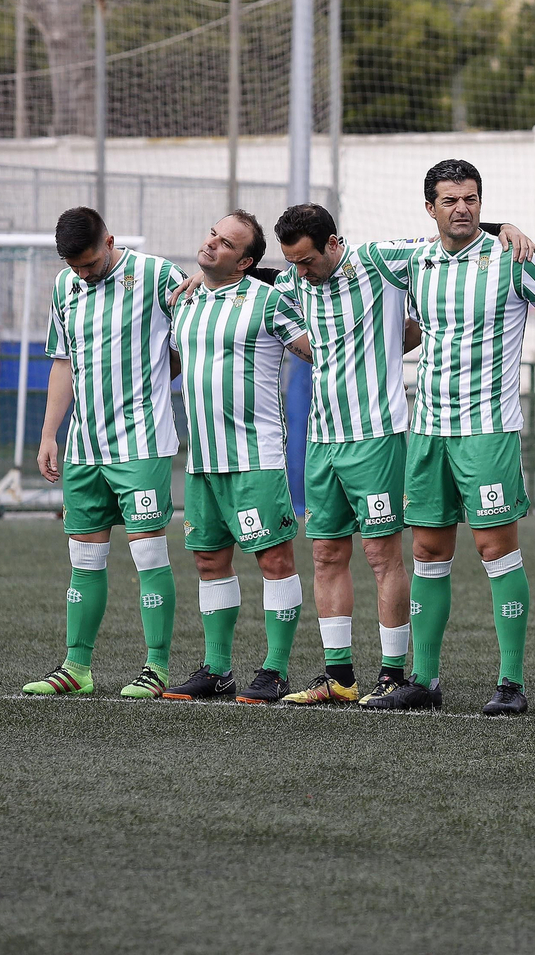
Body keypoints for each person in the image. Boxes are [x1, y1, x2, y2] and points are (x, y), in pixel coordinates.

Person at [364, 160, 535, 716]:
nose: (463, 208)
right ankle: (424, 680)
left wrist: (509, 230)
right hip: (427, 428)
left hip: (487, 430)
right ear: (430, 207)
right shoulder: (412, 259)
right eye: (450, 200)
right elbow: (337, 258)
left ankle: (510, 682)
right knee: (428, 550)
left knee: (495, 550)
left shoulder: (512, 257)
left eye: (472, 199)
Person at [22, 207, 183, 699]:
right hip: (84, 447)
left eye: (90, 263)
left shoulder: (157, 275)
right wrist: (50, 434)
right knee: (84, 559)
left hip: (141, 444)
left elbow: (189, 341)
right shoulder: (63, 286)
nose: (83, 274)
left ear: (110, 241)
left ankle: (156, 666)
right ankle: (77, 666)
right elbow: (64, 362)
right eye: (74, 267)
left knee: (148, 554)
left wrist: (153, 379)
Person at [263, 203, 420, 706]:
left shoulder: (380, 261)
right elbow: (256, 288)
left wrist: (499, 228)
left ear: (333, 243)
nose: (300, 271)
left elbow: (448, 245)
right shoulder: (291, 284)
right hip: (322, 438)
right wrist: (202, 279)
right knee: (327, 552)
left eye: (307, 260)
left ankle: (394, 674)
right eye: (293, 262)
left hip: (376, 435)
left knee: (381, 555)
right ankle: (340, 677)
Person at [160, 212, 314, 704]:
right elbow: (175, 364)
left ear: (246, 261)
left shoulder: (270, 301)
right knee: (209, 561)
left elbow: (316, 349)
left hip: (256, 455)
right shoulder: (183, 302)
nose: (212, 245)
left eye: (226, 243)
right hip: (202, 458)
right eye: (212, 234)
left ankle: (275, 669)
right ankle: (217, 669)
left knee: (274, 559)